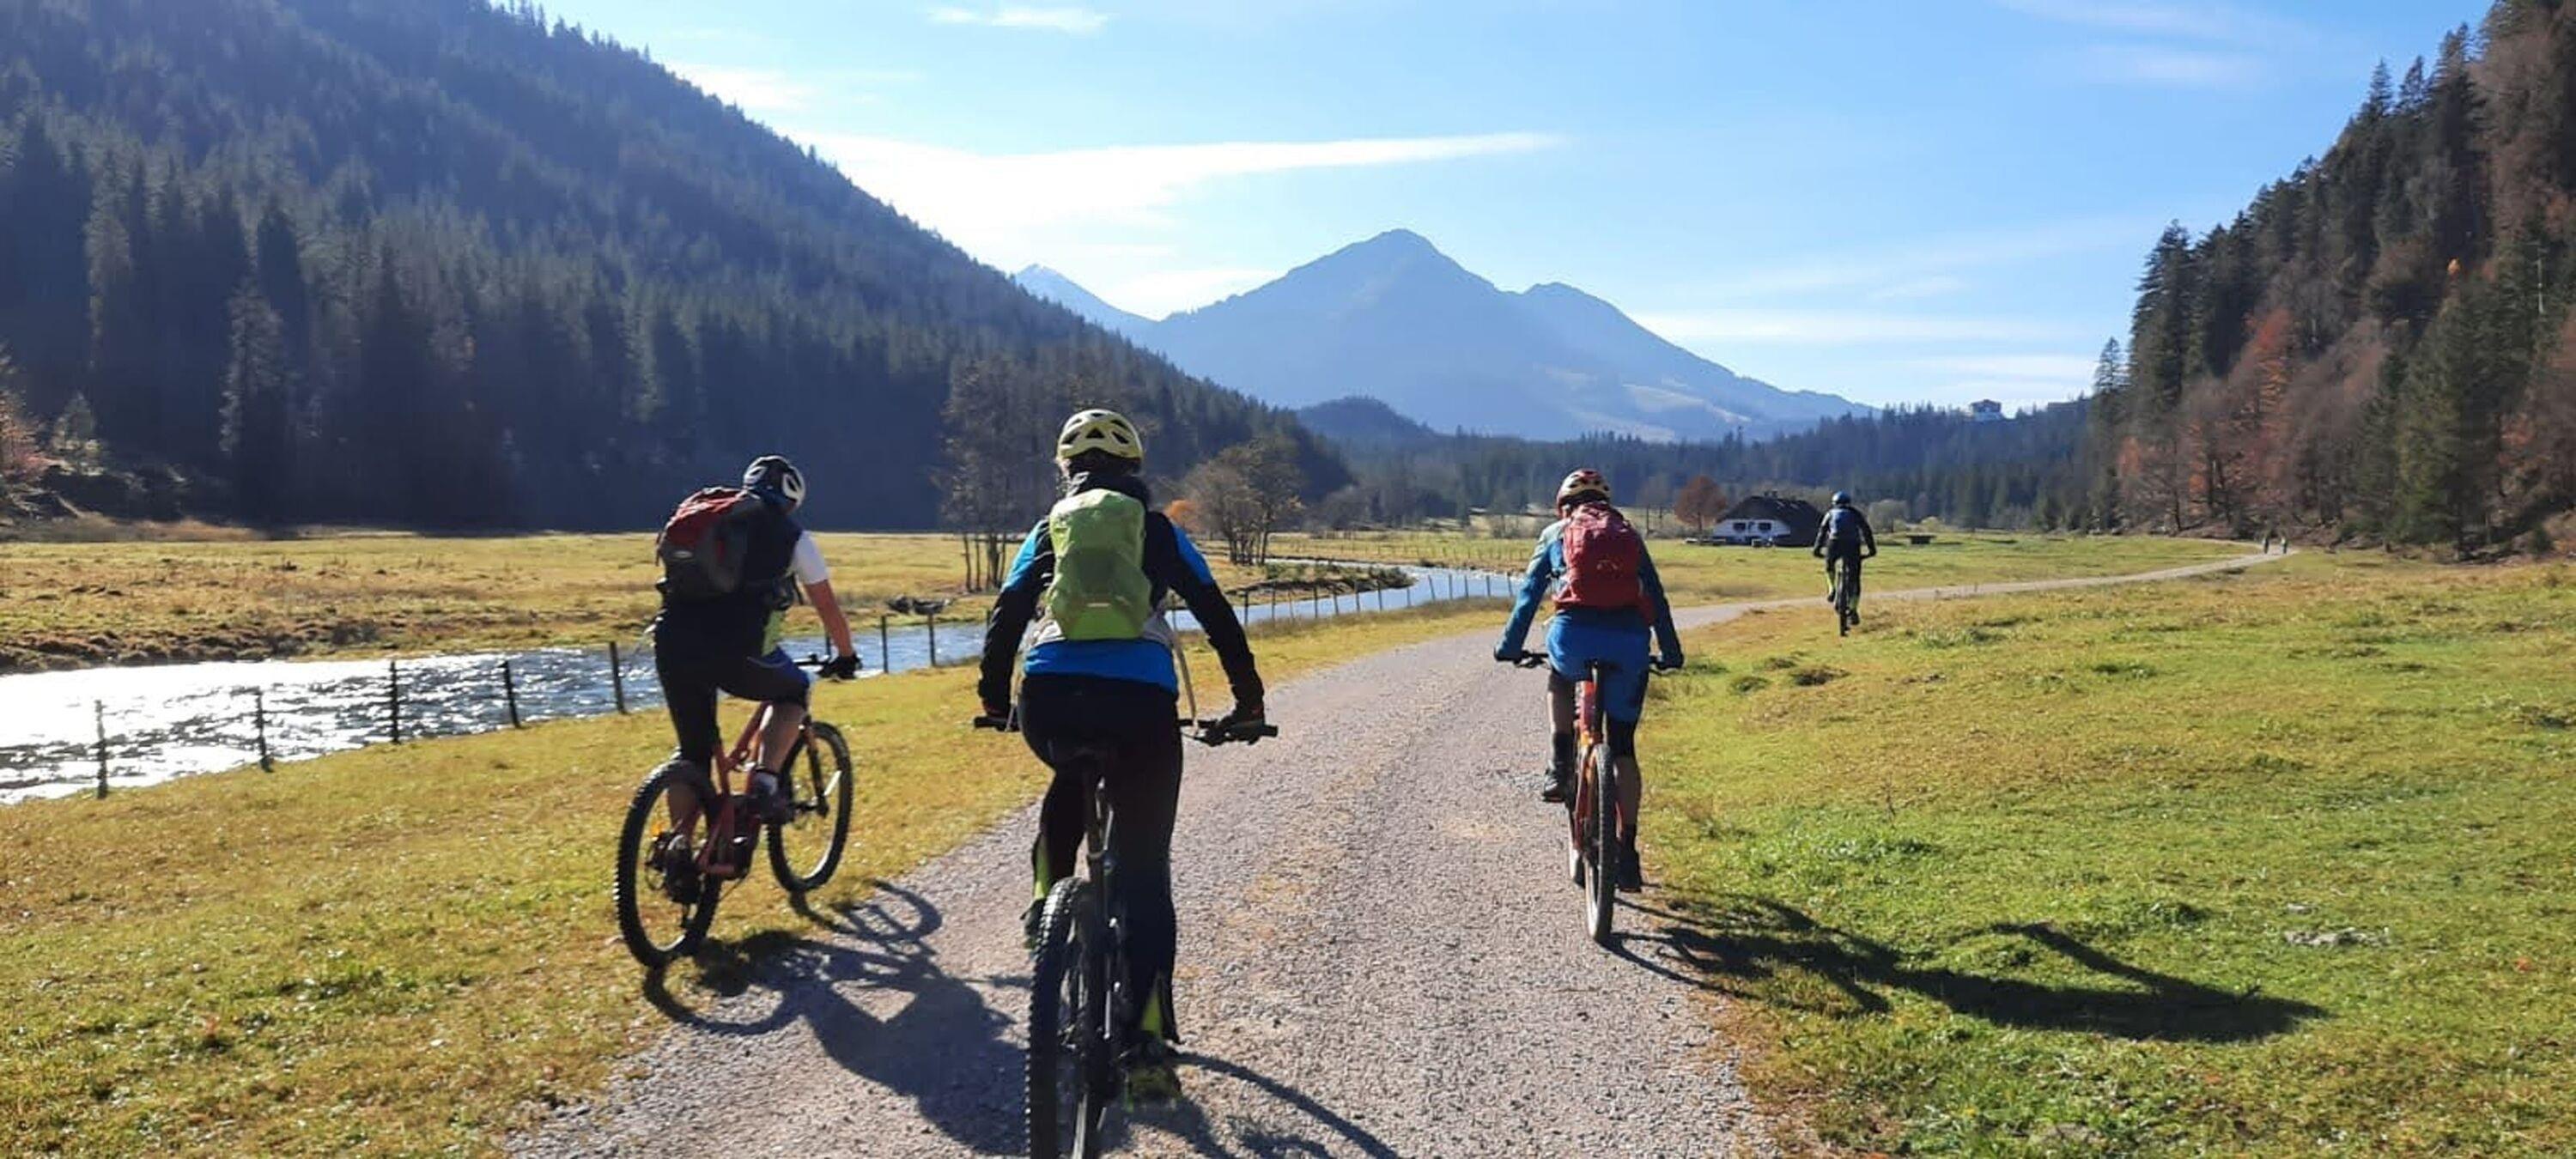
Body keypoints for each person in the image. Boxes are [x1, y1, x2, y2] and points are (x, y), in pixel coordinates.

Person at [979, 408, 1266, 1098]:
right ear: (1134, 470)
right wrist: (1248, 702)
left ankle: (1045, 901)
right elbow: (1214, 610)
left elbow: (1009, 611)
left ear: (1066, 472)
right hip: (1140, 706)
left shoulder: (1049, 528)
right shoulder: (1158, 530)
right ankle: (1145, 1046)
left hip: (1050, 698)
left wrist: (993, 699)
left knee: (1069, 770)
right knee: (1143, 873)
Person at [649, 455, 861, 843]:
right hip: (737, 650)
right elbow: (827, 607)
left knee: (693, 753)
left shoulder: (712, 520)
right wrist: (846, 655)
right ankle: (765, 782)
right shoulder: (791, 535)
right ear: (792, 501)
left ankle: (679, 848)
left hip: (672, 643)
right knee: (794, 690)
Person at [1492, 468, 1682, 892]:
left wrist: (1509, 647)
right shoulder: (1628, 535)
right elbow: (1656, 597)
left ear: (1563, 505)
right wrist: (1671, 652)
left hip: (1574, 636)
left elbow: (1529, 596)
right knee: (1624, 747)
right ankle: (1628, 851)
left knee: (1561, 676)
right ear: (1606, 504)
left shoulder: (1555, 533)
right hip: (1629, 642)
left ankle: (1560, 763)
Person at [1814, 491, 1877, 621]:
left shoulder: (1830, 514)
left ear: (1834, 503)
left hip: (1834, 543)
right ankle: (1853, 610)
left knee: (1830, 565)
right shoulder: (1855, 513)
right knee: (1855, 579)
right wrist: (1872, 550)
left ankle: (1831, 588)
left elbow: (1822, 532)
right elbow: (1866, 531)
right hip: (1852, 545)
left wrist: (1817, 549)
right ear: (1849, 503)